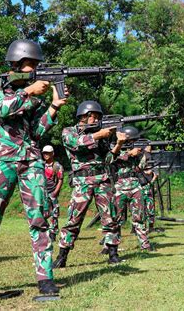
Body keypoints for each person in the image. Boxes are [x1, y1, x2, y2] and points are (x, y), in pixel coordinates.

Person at [0, 39, 67, 298]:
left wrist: (52, 107)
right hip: (1, 163)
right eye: (32, 65)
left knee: (39, 220)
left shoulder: (34, 94)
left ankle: (45, 278)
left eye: (37, 66)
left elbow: (37, 133)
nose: (35, 69)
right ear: (17, 63)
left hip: (31, 161)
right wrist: (29, 91)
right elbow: (1, 108)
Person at [52, 101, 126, 268]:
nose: (96, 119)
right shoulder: (69, 131)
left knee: (110, 218)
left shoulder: (102, 137)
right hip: (82, 183)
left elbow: (109, 160)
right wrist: (99, 135)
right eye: (93, 116)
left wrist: (118, 144)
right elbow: (76, 143)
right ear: (84, 116)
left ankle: (113, 253)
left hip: (103, 180)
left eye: (98, 117)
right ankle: (62, 256)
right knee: (73, 220)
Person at [111, 126, 154, 251]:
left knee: (139, 217)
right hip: (119, 187)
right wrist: (129, 153)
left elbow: (139, 168)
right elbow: (111, 159)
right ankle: (110, 246)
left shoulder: (137, 152)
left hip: (135, 186)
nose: (131, 144)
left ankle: (145, 245)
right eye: (130, 141)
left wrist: (142, 154)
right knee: (116, 219)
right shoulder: (115, 148)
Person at [42, 145, 64, 242]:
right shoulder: (41, 165)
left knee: (54, 213)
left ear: (52, 154)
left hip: (52, 192)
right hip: (42, 192)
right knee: (43, 212)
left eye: (47, 153)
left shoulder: (57, 166)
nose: (45, 155)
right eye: (44, 153)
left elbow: (60, 180)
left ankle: (53, 232)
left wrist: (56, 192)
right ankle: (44, 230)